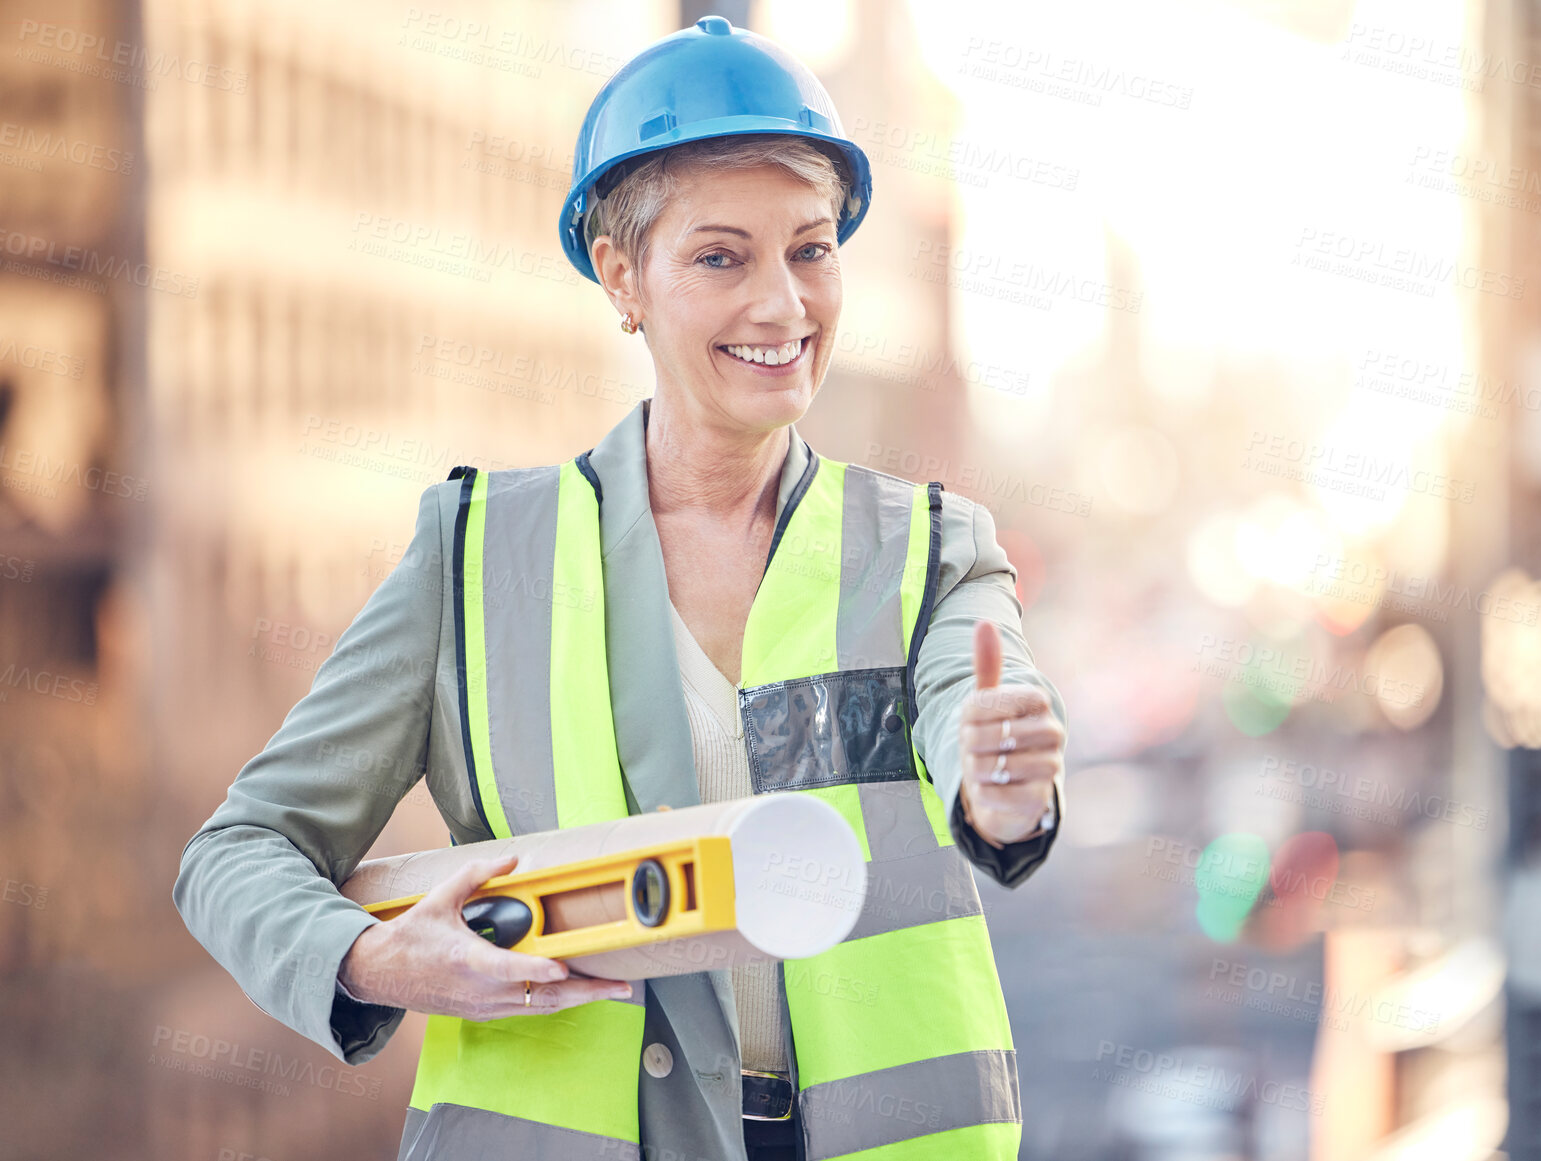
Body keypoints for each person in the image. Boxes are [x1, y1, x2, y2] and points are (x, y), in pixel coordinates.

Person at [174, 15, 1068, 1161]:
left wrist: (1003, 787)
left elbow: (977, 735)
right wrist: (375, 959)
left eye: (810, 249)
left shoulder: (932, 551)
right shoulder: (474, 562)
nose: (783, 305)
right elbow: (237, 854)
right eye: (720, 256)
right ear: (621, 273)